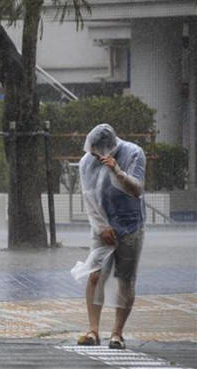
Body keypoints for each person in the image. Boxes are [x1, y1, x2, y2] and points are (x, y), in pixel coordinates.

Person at [71, 124, 146, 350]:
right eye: (90, 151)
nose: (92, 155)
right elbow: (88, 197)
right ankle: (93, 330)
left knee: (125, 280)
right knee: (95, 275)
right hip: (101, 226)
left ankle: (117, 333)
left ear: (109, 148)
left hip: (130, 224)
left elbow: (136, 189)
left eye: (96, 151)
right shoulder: (86, 162)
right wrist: (101, 226)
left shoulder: (133, 153)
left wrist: (117, 170)